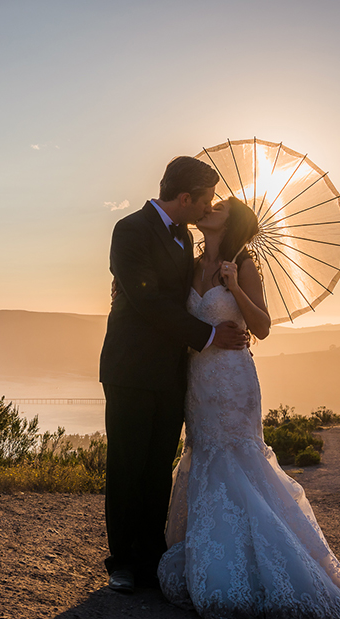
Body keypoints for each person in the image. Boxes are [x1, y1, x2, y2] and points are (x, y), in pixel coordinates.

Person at [157, 196, 340, 619]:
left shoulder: (244, 264)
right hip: (198, 380)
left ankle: (258, 568)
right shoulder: (191, 260)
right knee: (205, 457)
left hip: (234, 381)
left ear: (231, 222)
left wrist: (234, 286)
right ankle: (213, 554)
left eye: (217, 207)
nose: (208, 209)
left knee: (238, 460)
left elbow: (262, 327)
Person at [99, 157, 249, 594]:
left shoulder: (186, 238)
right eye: (204, 201)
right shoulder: (130, 229)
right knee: (127, 466)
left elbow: (186, 296)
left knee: (157, 469)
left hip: (173, 372)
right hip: (131, 368)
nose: (208, 208)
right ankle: (122, 562)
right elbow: (147, 302)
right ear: (185, 198)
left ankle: (150, 557)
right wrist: (207, 334)